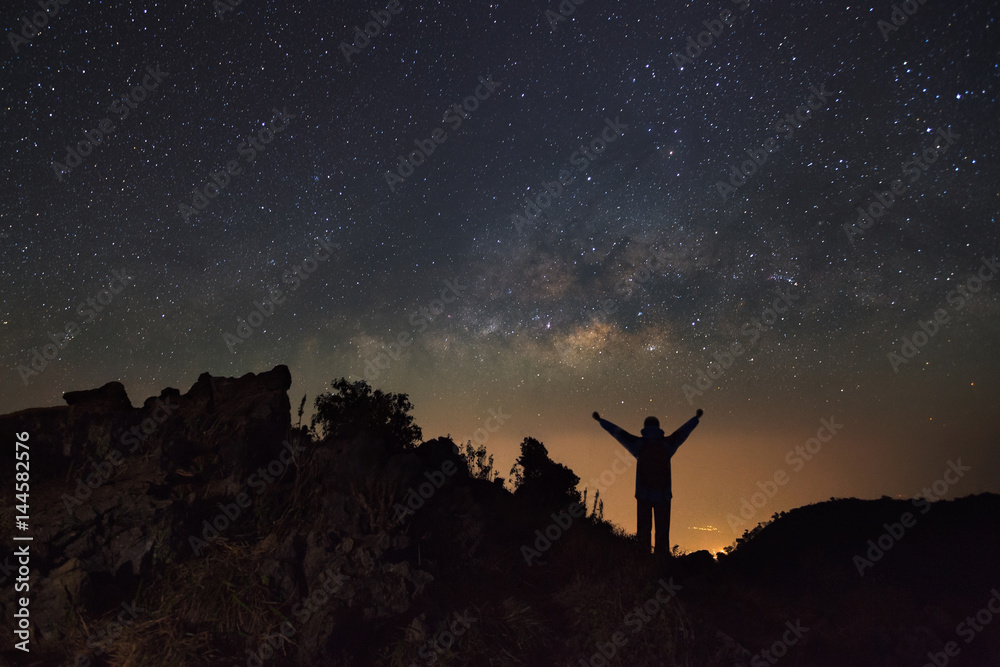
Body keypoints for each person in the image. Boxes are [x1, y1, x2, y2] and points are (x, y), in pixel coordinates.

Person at [592, 408, 703, 555]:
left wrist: (601, 421)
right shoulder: (668, 445)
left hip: (643, 495)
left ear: (644, 428)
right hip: (663, 496)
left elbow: (618, 433)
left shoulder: (638, 445)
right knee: (662, 531)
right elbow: (683, 432)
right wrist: (695, 419)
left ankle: (643, 559)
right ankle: (661, 561)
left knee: (643, 530)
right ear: (658, 427)